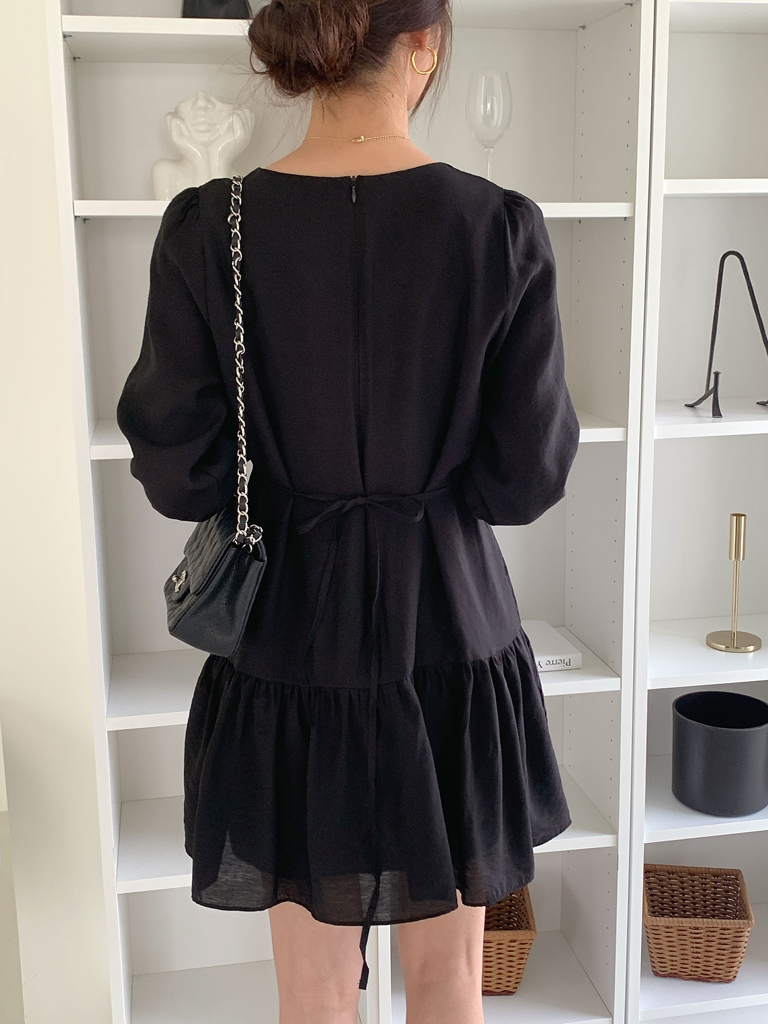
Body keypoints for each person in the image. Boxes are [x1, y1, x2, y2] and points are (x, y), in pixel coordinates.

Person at [116, 0, 581, 1021]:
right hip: (450, 637)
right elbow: (524, 479)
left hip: (291, 648)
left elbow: (180, 473)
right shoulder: (498, 228)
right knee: (453, 981)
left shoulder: (210, 227)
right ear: (424, 45)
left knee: (315, 991)